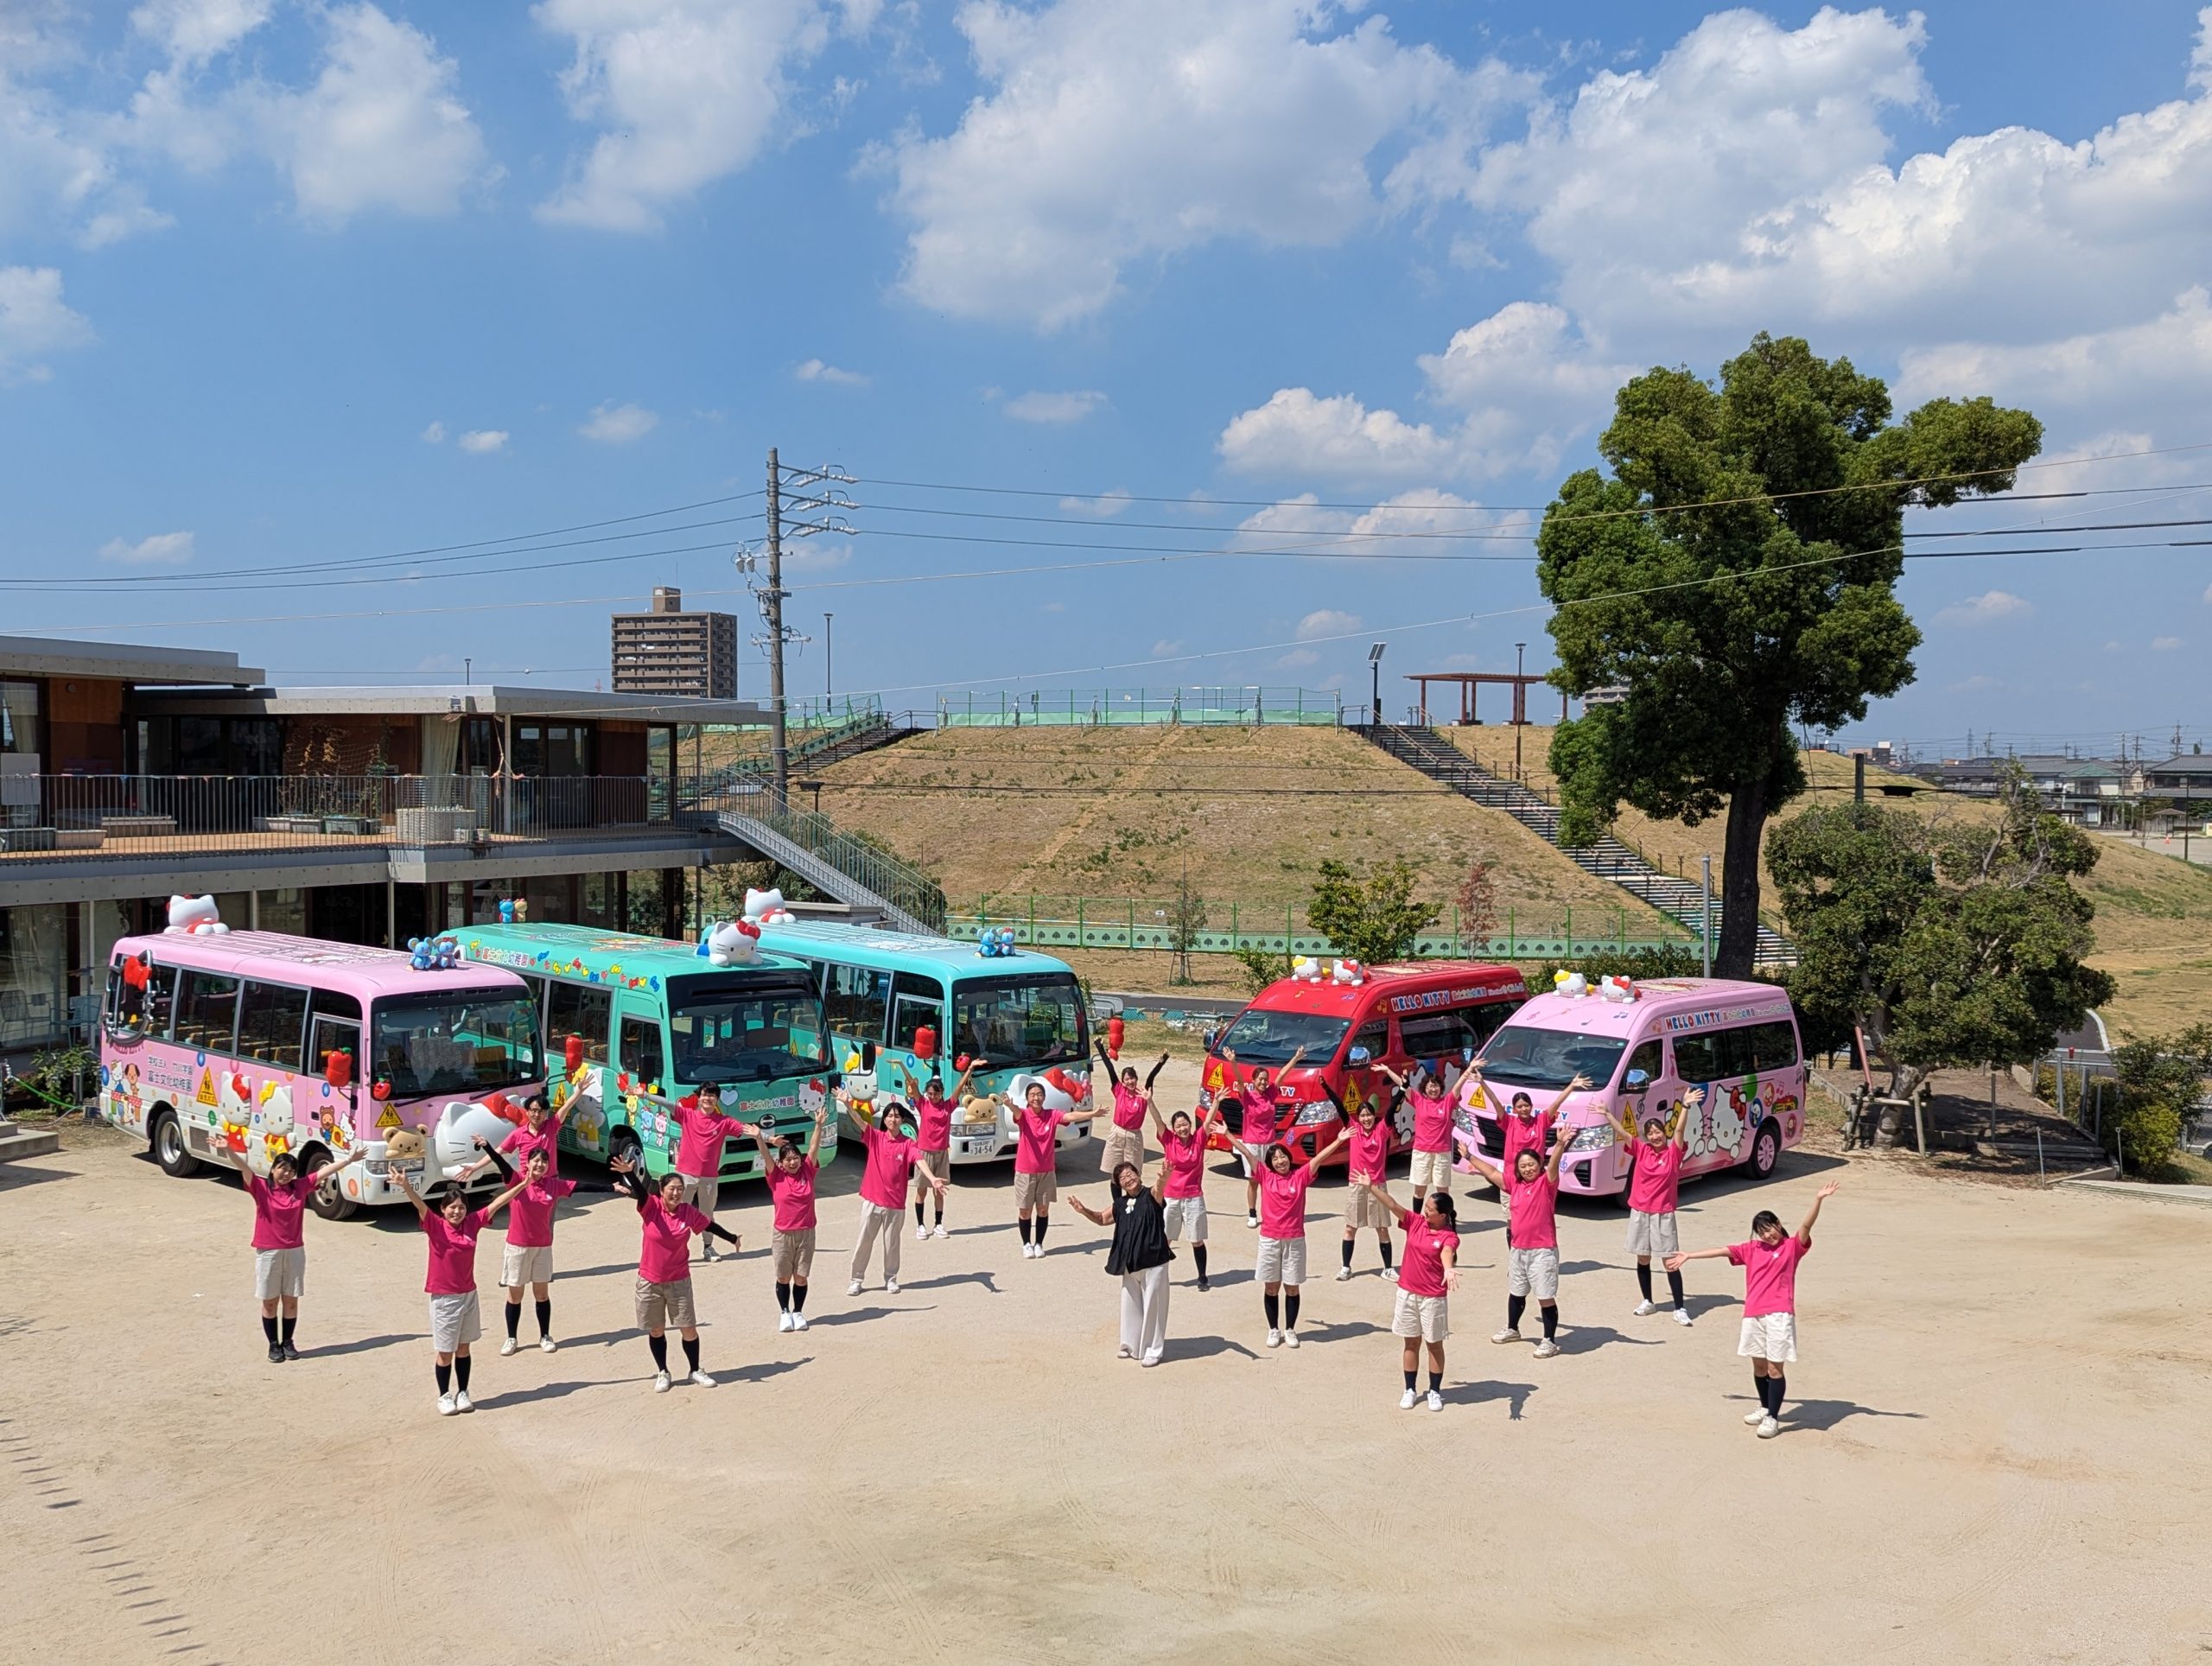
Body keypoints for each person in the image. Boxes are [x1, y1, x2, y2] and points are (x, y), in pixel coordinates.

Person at [1668, 1184, 1840, 1439]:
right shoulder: (1752, 1249)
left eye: (1769, 1229)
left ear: (1778, 1224)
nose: (1767, 1235)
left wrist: (1818, 1199)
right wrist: (1690, 1256)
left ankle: (1772, 1418)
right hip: (1753, 1314)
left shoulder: (1792, 1247)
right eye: (1761, 1232)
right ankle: (1764, 1406)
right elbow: (1723, 1251)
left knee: (1774, 1369)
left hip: (1779, 1314)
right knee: (1759, 1367)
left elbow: (1806, 1225)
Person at [392, 1164, 530, 1415]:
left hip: (469, 1295)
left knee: (464, 1348)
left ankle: (463, 1392)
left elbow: (498, 1202)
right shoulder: (435, 1225)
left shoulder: (472, 1223)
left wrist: (522, 1185)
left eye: (461, 1207)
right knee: (446, 1352)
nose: (457, 1211)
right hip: (444, 1299)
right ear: (443, 1209)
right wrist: (406, 1186)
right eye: (452, 1207)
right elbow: (420, 1205)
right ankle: (444, 1395)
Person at [610, 1153, 741, 1391]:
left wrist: (731, 1238)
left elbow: (709, 1225)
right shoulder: (651, 1207)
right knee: (656, 1329)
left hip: (679, 1281)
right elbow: (641, 1193)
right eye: (672, 1189)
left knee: (688, 1328)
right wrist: (630, 1173)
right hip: (649, 1281)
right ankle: (663, 1372)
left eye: (680, 1189)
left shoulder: (687, 1212)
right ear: (661, 1190)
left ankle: (695, 1370)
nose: (676, 1193)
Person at [228, 1143, 365, 1363]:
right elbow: (243, 1167)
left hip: (294, 1251)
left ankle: (288, 1342)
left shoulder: (299, 1187)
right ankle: (273, 1345)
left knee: (291, 1300)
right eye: (282, 1168)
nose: (286, 1174)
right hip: (269, 1252)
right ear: (273, 1169)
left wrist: (349, 1160)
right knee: (270, 1302)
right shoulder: (261, 1187)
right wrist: (227, 1148)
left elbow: (323, 1172)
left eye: (291, 1171)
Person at [1462, 1120, 1571, 1360]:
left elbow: (1553, 1165)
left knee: (1544, 1296)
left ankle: (1549, 1341)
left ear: (1539, 1165)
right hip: (1518, 1249)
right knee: (1516, 1292)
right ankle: (1513, 1329)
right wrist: (1469, 1156)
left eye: (1531, 1164)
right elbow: (1492, 1173)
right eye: (1523, 1166)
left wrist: (1560, 1144)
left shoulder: (1546, 1183)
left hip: (1542, 1250)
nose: (1528, 1169)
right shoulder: (1515, 1185)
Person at [1607, 1082, 1705, 1326]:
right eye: (1650, 1133)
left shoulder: (1673, 1153)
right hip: (1640, 1212)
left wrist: (1685, 1106)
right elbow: (1623, 1133)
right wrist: (1607, 1114)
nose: (1654, 1136)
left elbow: (1680, 1130)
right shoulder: (1641, 1150)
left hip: (1663, 1214)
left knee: (1670, 1262)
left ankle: (1680, 1308)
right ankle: (1648, 1301)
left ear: (1664, 1132)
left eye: (1658, 1131)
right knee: (1643, 1259)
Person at [1363, 1180, 1460, 1410]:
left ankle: (1434, 1391)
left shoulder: (1449, 1236)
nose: (1425, 1211)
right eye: (1425, 1207)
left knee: (1434, 1345)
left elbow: (1447, 1252)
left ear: (1443, 1216)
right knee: (1411, 1343)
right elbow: (1392, 1205)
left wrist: (1448, 1269)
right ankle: (1410, 1389)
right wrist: (1370, 1187)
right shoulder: (1415, 1222)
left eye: (1430, 1209)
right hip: (1407, 1293)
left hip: (1433, 1298)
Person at [1068, 1161, 1174, 1366]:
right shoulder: (1120, 1203)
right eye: (1122, 1178)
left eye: (1130, 1174)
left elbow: (1159, 1187)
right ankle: (1130, 1345)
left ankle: (1153, 1350)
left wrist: (1164, 1177)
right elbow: (1102, 1218)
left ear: (1138, 1174)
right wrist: (1083, 1210)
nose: (1128, 1179)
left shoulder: (1150, 1195)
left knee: (1154, 1306)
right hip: (1129, 1263)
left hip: (1154, 1261)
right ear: (1119, 1185)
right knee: (1130, 1305)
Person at [841, 1092, 946, 1294]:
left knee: (892, 1245)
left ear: (902, 1120)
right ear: (885, 1119)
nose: (893, 1119)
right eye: (890, 1116)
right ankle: (856, 1279)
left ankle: (891, 1278)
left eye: (897, 1116)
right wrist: (847, 1103)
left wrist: (932, 1178)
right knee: (864, 1242)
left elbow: (919, 1160)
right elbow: (860, 1122)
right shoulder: (875, 1137)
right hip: (872, 1201)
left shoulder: (908, 1143)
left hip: (895, 1204)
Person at [1255, 1129, 1350, 1349]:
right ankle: (1273, 1329)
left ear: (1289, 1158)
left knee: (1292, 1287)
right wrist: (1228, 1135)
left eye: (1283, 1156)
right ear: (1270, 1163)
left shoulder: (1300, 1176)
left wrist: (1338, 1140)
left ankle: (1290, 1329)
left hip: (1295, 1240)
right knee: (1271, 1287)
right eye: (1275, 1159)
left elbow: (1319, 1158)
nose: (1280, 1161)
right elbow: (1249, 1155)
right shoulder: (1265, 1176)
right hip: (1269, 1240)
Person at [751, 1103, 830, 1332]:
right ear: (782, 1162)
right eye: (788, 1159)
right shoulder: (776, 1176)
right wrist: (759, 1138)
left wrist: (818, 1125)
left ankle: (798, 1312)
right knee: (784, 1277)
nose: (793, 1162)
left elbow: (813, 1148)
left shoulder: (808, 1170)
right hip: (783, 1234)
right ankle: (785, 1312)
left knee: (801, 1277)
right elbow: (766, 1156)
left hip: (806, 1232)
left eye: (796, 1157)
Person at [1012, 1079, 1105, 1258]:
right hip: (1025, 1172)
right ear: (1027, 1098)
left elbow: (1070, 1117)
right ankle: (1026, 1244)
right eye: (1032, 1095)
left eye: (1039, 1094)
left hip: (1047, 1172)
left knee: (1043, 1209)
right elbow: (1016, 1112)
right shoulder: (1023, 1115)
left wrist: (1092, 1113)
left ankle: (1039, 1244)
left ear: (1044, 1097)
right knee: (1025, 1211)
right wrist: (1010, 1105)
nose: (1036, 1098)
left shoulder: (1052, 1115)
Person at [667, 1084, 759, 1262]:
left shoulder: (724, 1122)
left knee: (706, 1214)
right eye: (705, 1095)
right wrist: (645, 1095)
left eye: (712, 1096)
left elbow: (747, 1130)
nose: (708, 1099)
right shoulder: (687, 1115)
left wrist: (770, 1139)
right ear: (699, 1097)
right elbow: (667, 1104)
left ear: (717, 1100)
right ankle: (677, 1249)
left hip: (709, 1178)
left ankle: (708, 1248)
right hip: (685, 1175)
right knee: (679, 1212)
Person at [894, 1054, 981, 1241]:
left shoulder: (948, 1106)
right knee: (921, 1191)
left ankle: (938, 1224)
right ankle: (920, 1225)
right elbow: (912, 1085)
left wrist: (970, 1068)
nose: (932, 1097)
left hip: (942, 1153)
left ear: (941, 1093)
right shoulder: (923, 1104)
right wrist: (901, 1065)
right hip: (924, 1153)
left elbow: (959, 1087)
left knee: (939, 1191)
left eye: (935, 1094)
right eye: (930, 1094)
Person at [1219, 1044, 1303, 1228]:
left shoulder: (1270, 1094)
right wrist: (1233, 1062)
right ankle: (1252, 1213)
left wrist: (1296, 1058)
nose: (1264, 1082)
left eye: (1266, 1079)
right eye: (1260, 1079)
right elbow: (1239, 1081)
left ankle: (1270, 1212)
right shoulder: (1248, 1097)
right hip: (1252, 1145)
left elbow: (1282, 1075)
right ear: (1254, 1080)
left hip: (1269, 1143)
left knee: (1270, 1181)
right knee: (1253, 1181)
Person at [1148, 1099, 1220, 1291]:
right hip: (1170, 1197)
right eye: (1178, 1126)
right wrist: (1149, 1100)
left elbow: (1209, 1119)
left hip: (1193, 1196)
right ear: (1173, 1129)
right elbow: (1158, 1120)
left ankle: (1202, 1277)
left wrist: (1217, 1101)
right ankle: (1158, 1276)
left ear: (1190, 1125)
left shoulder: (1199, 1139)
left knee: (1197, 1240)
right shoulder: (1168, 1139)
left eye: (1185, 1124)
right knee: (1165, 1239)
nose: (1182, 1128)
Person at [1338, 1095, 1398, 1281]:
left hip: (1377, 1184)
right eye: (1362, 1115)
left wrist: (1403, 1089)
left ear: (1374, 1115)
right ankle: (1346, 1268)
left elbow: (1392, 1108)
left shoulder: (1382, 1129)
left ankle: (1388, 1269)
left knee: (1382, 1228)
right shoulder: (1353, 1129)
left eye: (1369, 1115)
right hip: (1356, 1184)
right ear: (1358, 1118)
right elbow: (1340, 1108)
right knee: (1350, 1227)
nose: (1366, 1118)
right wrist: (1326, 1088)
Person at [1379, 1061, 1453, 1208]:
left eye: (1436, 1086)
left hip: (1442, 1152)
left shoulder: (1448, 1101)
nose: (1433, 1089)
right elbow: (1403, 1085)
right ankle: (1416, 1218)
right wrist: (1387, 1070)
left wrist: (1470, 1070)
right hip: (1422, 1151)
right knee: (1419, 1190)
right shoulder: (1419, 1100)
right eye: (1430, 1086)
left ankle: (1446, 1219)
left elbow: (1458, 1087)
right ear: (1424, 1088)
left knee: (1443, 1190)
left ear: (1441, 1088)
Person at [1093, 1042, 1169, 1181]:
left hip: (1134, 1136)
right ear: (1123, 1081)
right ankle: (1116, 1196)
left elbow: (1151, 1077)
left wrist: (1161, 1062)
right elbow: (1110, 1067)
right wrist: (1100, 1048)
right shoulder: (1119, 1090)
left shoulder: (1143, 1094)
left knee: (1133, 1175)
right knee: (1115, 1175)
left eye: (1132, 1078)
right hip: (1117, 1133)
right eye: (1127, 1079)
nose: (1130, 1081)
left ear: (1136, 1079)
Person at [459, 1091, 564, 1185]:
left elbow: (566, 1107)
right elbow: (497, 1152)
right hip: (527, 1182)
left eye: (541, 1111)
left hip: (549, 1181)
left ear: (545, 1113)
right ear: (527, 1112)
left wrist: (575, 1088)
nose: (537, 1114)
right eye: (534, 1110)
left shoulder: (551, 1126)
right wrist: (474, 1167)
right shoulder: (518, 1134)